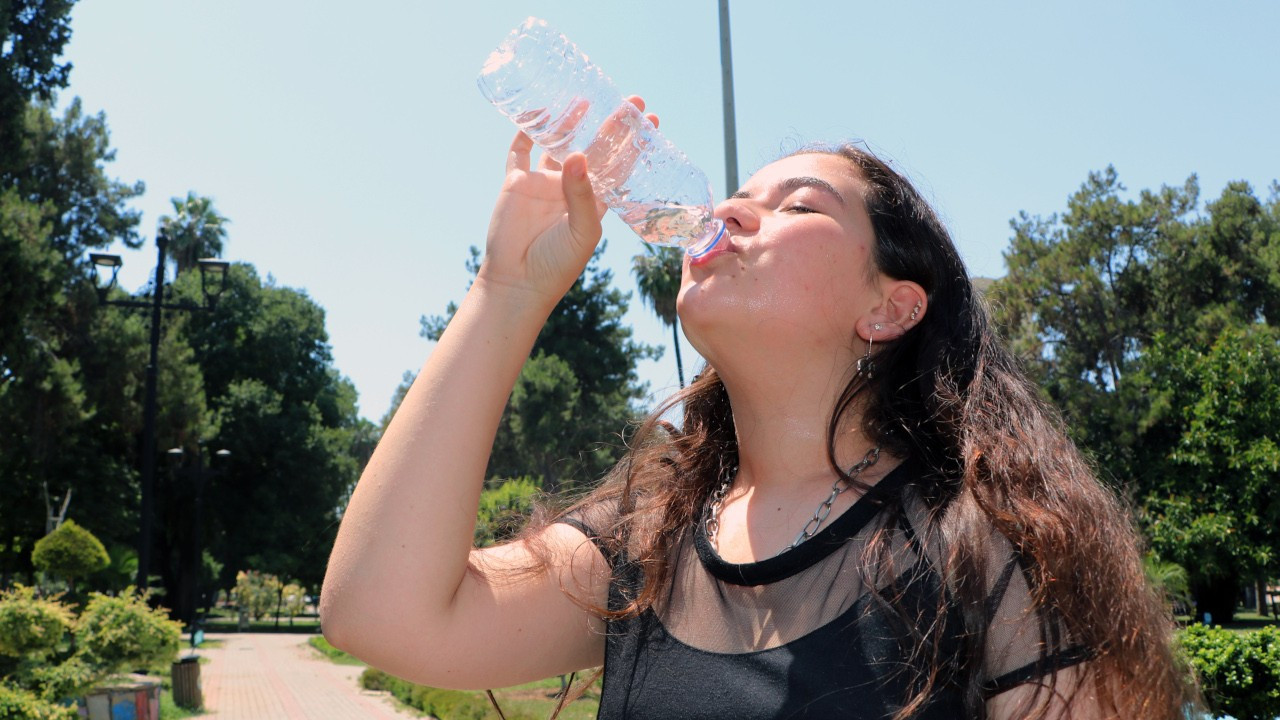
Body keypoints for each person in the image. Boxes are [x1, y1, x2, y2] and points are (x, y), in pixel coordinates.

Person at [320, 98, 1196, 719]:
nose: (732, 209)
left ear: (890, 308)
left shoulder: (994, 546)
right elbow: (378, 614)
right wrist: (505, 290)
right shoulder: (648, 543)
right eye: (741, 193)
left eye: (797, 204)